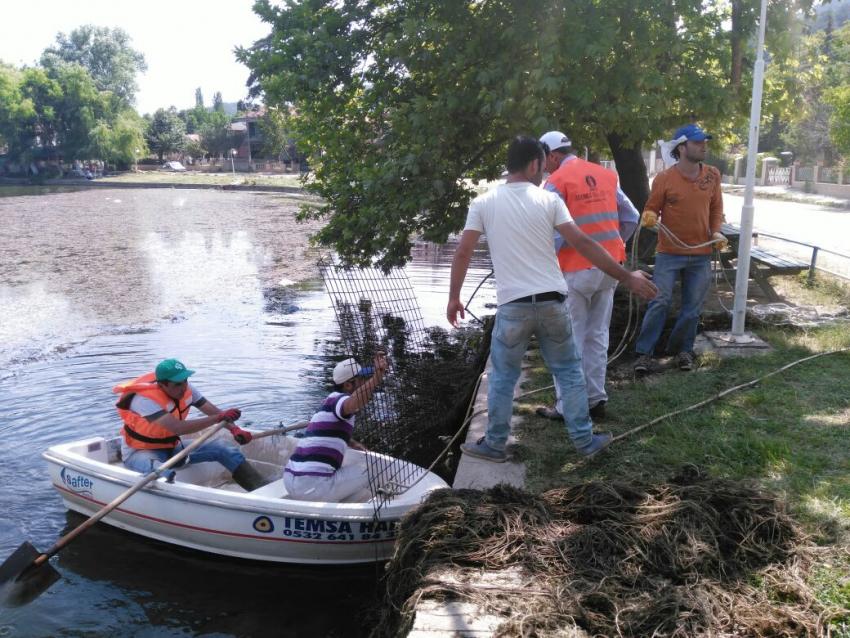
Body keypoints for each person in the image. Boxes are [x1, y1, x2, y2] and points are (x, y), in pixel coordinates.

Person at [447, 135, 657, 462]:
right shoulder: (548, 200)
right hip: (552, 302)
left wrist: (454, 298)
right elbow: (585, 244)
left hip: (513, 306)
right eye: (542, 165)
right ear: (534, 164)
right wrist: (626, 276)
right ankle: (585, 441)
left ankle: (494, 444)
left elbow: (463, 251)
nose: (544, 170)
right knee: (569, 371)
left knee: (503, 376)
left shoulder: (483, 203)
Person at [535, 130, 640, 422]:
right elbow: (631, 216)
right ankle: (595, 400)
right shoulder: (604, 175)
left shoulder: (555, 183)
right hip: (609, 269)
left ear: (553, 155)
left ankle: (567, 406)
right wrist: (614, 245)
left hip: (573, 272)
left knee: (568, 340)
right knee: (597, 336)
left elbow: (551, 233)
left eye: (545, 160)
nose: (544, 166)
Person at [633, 124, 726, 373]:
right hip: (669, 253)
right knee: (659, 301)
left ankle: (681, 351)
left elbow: (716, 208)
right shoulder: (664, 179)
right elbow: (651, 207)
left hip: (701, 254)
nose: (703, 146)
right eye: (697, 142)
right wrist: (650, 215)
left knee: (693, 308)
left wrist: (715, 230)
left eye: (704, 141)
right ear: (681, 147)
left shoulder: (712, 175)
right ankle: (644, 353)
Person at [114, 358, 268, 491]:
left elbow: (212, 411)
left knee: (225, 449)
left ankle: (260, 489)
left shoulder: (187, 389)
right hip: (140, 452)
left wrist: (235, 429)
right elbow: (178, 427)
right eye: (177, 384)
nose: (183, 387)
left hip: (173, 447)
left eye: (185, 381)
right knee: (162, 473)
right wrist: (218, 418)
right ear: (162, 385)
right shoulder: (144, 400)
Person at [283, 353, 388, 502]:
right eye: (362, 380)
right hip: (312, 485)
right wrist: (377, 377)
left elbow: (331, 431)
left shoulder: (329, 401)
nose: (365, 382)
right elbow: (353, 403)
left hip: (290, 480)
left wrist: (352, 443)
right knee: (371, 468)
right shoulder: (341, 400)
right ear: (348, 385)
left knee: (359, 489)